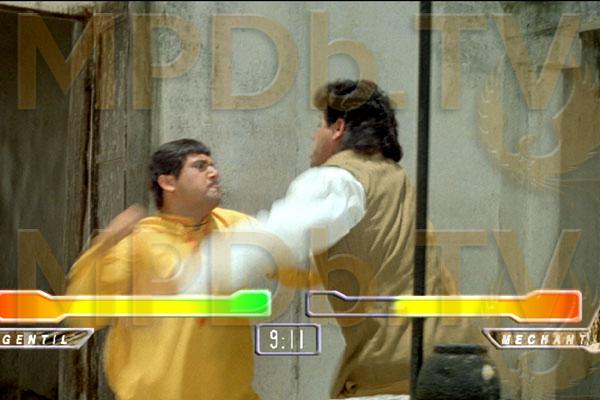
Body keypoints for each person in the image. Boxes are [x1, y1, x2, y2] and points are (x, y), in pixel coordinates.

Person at [199, 79, 474, 398]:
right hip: (455, 368)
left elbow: (273, 239)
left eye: (319, 125)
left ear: (338, 128)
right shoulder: (396, 180)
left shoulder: (339, 178)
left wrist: (189, 281)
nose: (313, 136)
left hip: (395, 380)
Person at [65, 139, 260, 400]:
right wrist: (103, 245)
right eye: (200, 166)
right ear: (168, 182)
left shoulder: (235, 226)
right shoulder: (139, 244)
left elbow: (296, 265)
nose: (214, 173)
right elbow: (83, 314)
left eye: (213, 165)